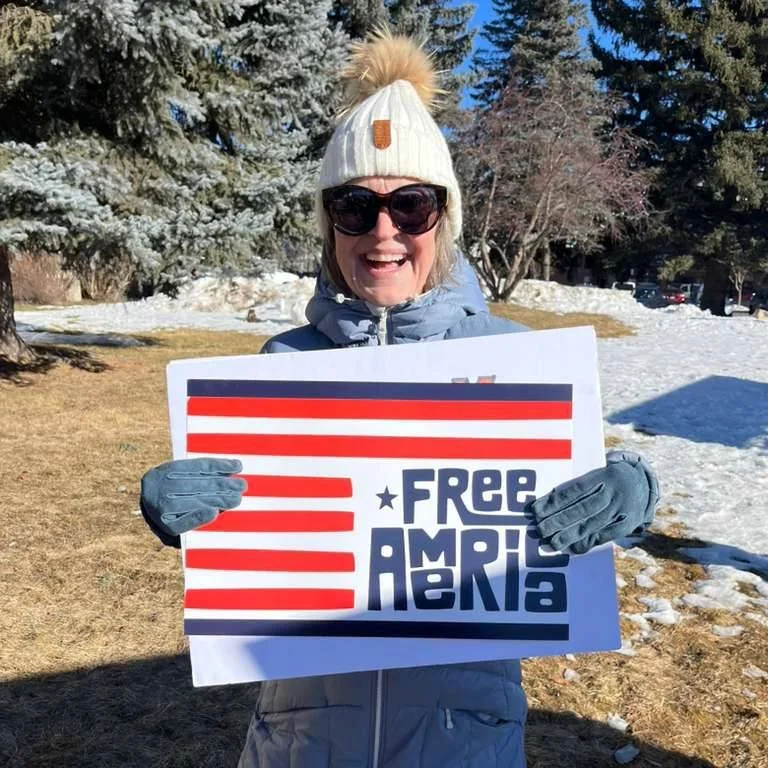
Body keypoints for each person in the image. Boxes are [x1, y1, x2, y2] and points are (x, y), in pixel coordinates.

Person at [140, 30, 659, 768]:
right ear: (329, 225)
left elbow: (574, 500)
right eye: (355, 207)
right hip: (305, 740)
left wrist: (632, 491)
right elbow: (250, 535)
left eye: (411, 206)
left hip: (461, 739)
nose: (383, 233)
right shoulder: (281, 365)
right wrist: (181, 515)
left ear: (443, 220)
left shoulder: (512, 358)